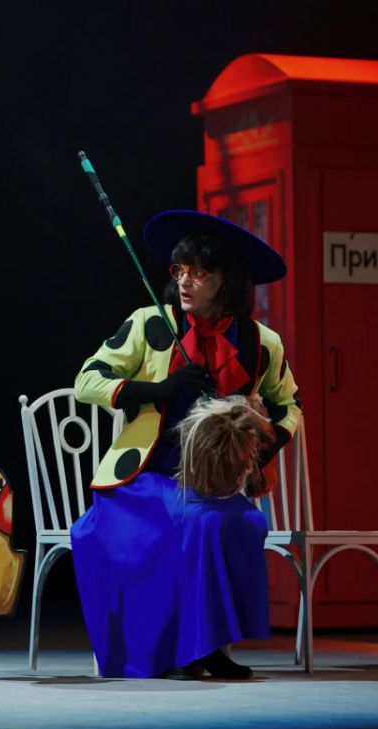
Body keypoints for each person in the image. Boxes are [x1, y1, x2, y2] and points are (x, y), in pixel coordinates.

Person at [70, 210, 302, 679]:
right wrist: (157, 390)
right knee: (190, 520)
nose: (184, 281)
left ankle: (209, 645)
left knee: (243, 521)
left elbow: (290, 406)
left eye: (199, 272)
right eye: (179, 270)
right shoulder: (148, 325)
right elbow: (86, 382)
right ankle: (175, 652)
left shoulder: (261, 342)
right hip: (144, 477)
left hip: (212, 484)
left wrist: (261, 445)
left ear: (227, 281)